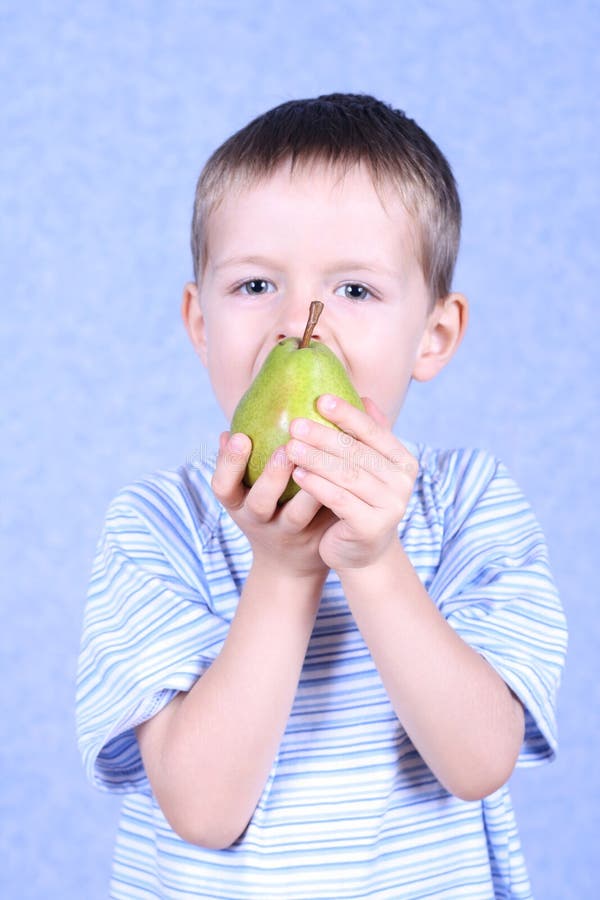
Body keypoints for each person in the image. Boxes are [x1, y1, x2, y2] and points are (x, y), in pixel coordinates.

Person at [76, 93, 567, 899]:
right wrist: (284, 569)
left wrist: (373, 563)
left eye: (356, 292)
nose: (300, 327)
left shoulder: (474, 505)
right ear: (200, 324)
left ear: (433, 336)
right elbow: (201, 808)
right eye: (256, 283)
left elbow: (480, 763)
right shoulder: (157, 527)